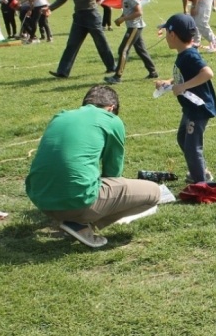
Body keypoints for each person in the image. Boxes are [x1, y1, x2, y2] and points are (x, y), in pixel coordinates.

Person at [25, 84, 161, 248]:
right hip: (77, 201)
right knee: (154, 192)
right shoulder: (111, 120)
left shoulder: (60, 116)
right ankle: (81, 225)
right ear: (111, 108)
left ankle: (72, 218)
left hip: (40, 199)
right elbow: (113, 172)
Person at [154, 13, 216, 184]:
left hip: (198, 109)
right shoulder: (184, 54)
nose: (166, 36)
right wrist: (169, 82)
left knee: (192, 146)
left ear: (172, 35)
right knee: (183, 138)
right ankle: (202, 172)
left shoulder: (190, 55)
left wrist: (182, 87)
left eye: (166, 32)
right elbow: (186, 75)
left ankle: (200, 184)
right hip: (190, 108)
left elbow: (207, 73)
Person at [47, 0, 117, 79]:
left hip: (92, 15)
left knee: (101, 43)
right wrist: (50, 8)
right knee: (71, 44)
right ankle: (63, 72)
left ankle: (112, 67)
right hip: (79, 17)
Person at [105, 0, 158, 84]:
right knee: (141, 50)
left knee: (123, 49)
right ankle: (153, 72)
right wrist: (121, 18)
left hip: (135, 27)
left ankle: (117, 77)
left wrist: (123, 19)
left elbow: (139, 12)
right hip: (133, 26)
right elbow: (128, 11)